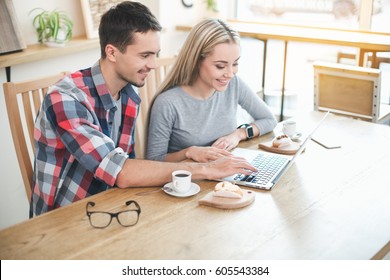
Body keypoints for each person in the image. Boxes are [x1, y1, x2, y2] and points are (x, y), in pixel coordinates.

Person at [31, 2, 256, 216]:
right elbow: (122, 172)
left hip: (114, 206)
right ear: (111, 52)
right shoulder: (66, 99)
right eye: (144, 55)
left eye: (154, 54)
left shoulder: (129, 93)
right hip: (65, 218)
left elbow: (131, 166)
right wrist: (207, 169)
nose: (154, 65)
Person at [146, 19, 277, 163]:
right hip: (188, 182)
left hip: (224, 173)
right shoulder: (168, 103)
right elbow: (154, 160)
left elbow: (269, 119)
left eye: (235, 63)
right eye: (220, 66)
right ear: (196, 61)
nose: (230, 73)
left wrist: (238, 134)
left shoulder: (234, 84)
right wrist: (189, 152)